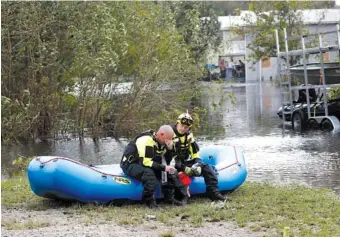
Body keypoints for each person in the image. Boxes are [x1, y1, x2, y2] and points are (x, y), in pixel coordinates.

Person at [171, 112, 232, 202]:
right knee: (175, 174)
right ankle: (181, 195)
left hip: (183, 162)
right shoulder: (169, 133)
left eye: (186, 127)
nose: (183, 129)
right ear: (177, 123)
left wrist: (198, 163)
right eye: (182, 125)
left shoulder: (188, 136)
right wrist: (184, 168)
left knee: (206, 167)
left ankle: (213, 193)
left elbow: (195, 152)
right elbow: (168, 157)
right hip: (172, 164)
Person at [120, 125, 183, 209]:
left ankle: (169, 197)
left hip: (144, 163)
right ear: (161, 134)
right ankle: (149, 201)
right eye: (167, 139)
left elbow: (166, 161)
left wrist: (170, 149)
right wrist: (164, 167)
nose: (168, 141)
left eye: (170, 139)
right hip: (130, 164)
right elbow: (145, 162)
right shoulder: (147, 140)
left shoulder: (162, 142)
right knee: (148, 173)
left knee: (168, 172)